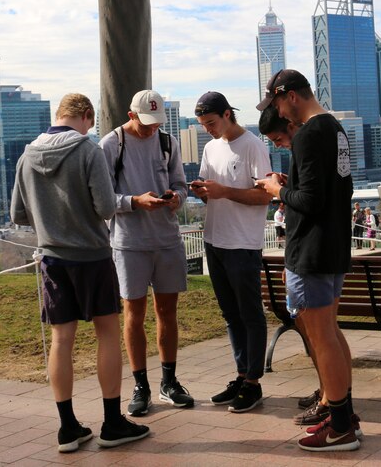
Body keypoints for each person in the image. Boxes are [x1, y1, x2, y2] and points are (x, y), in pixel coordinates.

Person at [10, 93, 149, 452]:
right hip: (92, 256)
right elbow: (105, 206)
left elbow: (18, 215)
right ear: (86, 116)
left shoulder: (27, 155)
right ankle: (112, 422)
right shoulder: (88, 151)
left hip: (52, 260)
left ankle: (67, 427)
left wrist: (50, 220)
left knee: (61, 340)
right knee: (106, 334)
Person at [256, 69, 360, 452]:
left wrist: (277, 191)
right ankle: (345, 418)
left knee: (321, 340)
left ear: (291, 96)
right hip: (333, 246)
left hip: (310, 250)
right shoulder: (335, 130)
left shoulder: (309, 135)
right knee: (331, 334)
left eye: (279, 106)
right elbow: (336, 191)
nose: (282, 116)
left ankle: (340, 428)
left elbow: (310, 201)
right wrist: (292, 185)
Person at [98, 89, 193, 416]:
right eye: (146, 123)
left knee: (168, 312)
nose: (152, 129)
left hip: (166, 239)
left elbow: (182, 184)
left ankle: (169, 381)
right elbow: (102, 200)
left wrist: (175, 198)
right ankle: (141, 386)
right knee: (133, 314)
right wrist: (135, 201)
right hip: (129, 243)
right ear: (130, 115)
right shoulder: (111, 145)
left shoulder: (168, 142)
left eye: (157, 123)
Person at [189, 91, 272, 413]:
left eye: (210, 122)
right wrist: (203, 192)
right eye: (202, 125)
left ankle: (253, 381)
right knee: (230, 314)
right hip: (215, 238)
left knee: (250, 313)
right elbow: (213, 194)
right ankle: (241, 374)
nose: (207, 129)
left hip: (242, 242)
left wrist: (224, 191)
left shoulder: (252, 146)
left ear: (227, 114)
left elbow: (264, 197)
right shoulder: (211, 147)